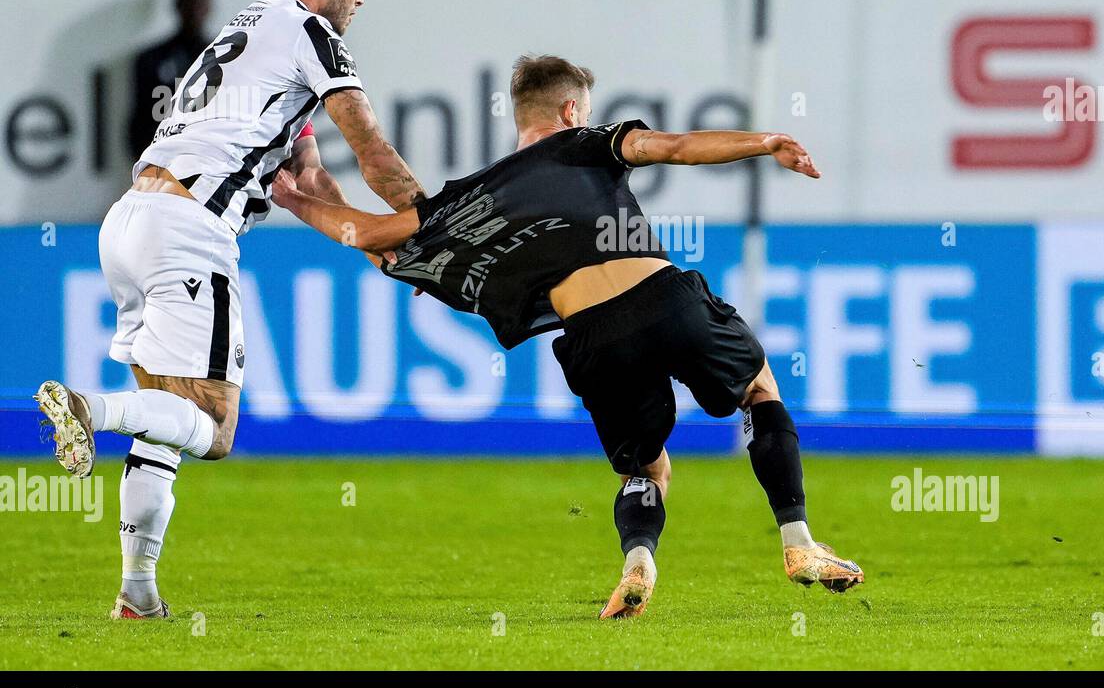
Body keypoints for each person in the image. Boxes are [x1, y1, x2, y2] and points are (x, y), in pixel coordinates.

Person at [272, 54, 863, 619]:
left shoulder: (474, 197)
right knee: (759, 389)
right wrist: (766, 142)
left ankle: (638, 564)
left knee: (647, 470)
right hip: (662, 299)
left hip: (592, 339)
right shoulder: (587, 144)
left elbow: (371, 234)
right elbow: (677, 148)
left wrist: (292, 195)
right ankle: (798, 539)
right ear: (573, 112)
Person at [36, 0, 425, 620]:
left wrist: (367, 241)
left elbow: (304, 180)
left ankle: (137, 593)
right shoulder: (313, 34)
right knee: (212, 428)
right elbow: (375, 152)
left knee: (167, 426)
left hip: (130, 221)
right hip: (189, 231)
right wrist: (437, 222)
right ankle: (90, 410)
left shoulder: (244, 36)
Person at [126, 0, 213, 161]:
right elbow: (139, 123)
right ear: (177, 4)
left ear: (209, 6)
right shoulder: (150, 59)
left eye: (200, 3)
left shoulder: (224, 57)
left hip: (209, 167)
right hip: (163, 166)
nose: (195, 11)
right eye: (190, 3)